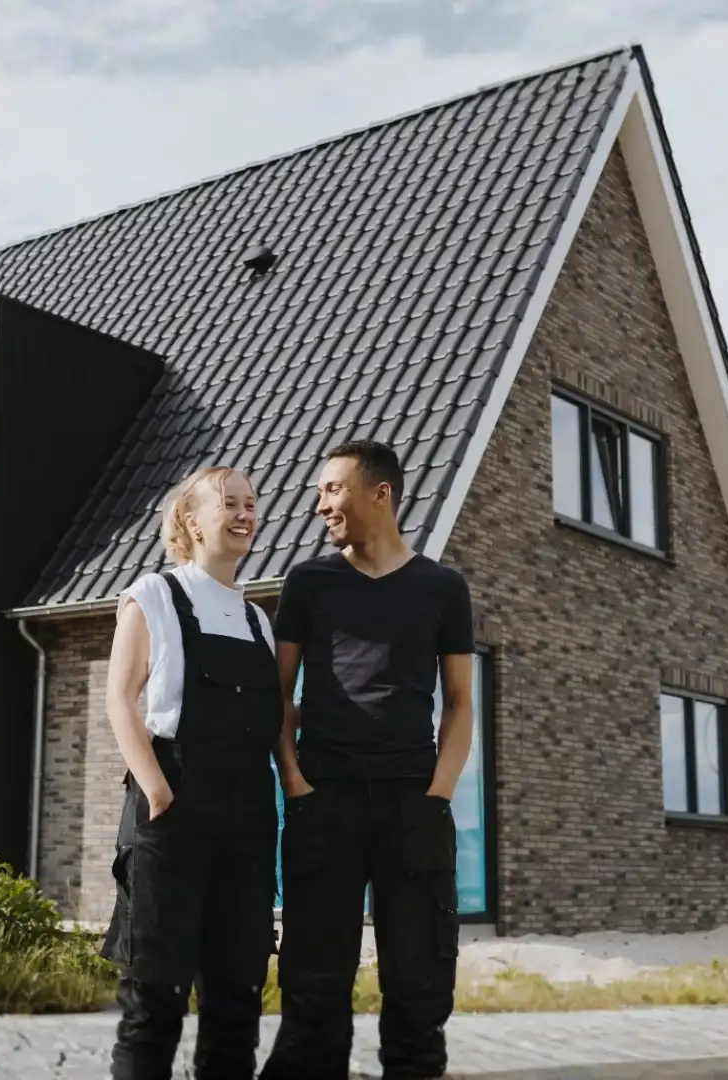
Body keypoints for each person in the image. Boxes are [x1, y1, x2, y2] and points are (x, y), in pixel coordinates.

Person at [260, 439, 475, 1080]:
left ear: (380, 493)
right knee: (314, 989)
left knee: (419, 988)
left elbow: (460, 702)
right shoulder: (308, 582)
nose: (320, 502)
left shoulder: (443, 587)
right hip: (325, 802)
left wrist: (437, 795)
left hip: (414, 804)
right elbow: (280, 695)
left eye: (332, 489)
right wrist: (295, 782)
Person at [100, 465, 282, 1080]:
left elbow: (277, 721)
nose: (242, 513)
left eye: (250, 504)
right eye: (228, 502)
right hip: (172, 806)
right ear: (190, 521)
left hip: (249, 816)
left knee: (237, 997)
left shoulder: (259, 620)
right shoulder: (153, 594)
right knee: (155, 996)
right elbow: (120, 699)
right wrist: (156, 790)